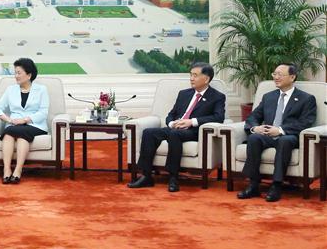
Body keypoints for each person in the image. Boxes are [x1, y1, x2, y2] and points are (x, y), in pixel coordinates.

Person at [127, 62, 225, 192]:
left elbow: (219, 117)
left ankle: (173, 177)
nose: (191, 78)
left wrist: (192, 122)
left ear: (206, 79)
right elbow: (171, 114)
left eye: (195, 75)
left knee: (174, 134)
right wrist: (172, 123)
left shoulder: (217, 97)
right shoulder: (184, 94)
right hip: (175, 127)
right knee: (149, 133)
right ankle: (146, 176)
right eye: (190, 75)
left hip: (194, 131)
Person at [237, 63, 317, 202]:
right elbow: (253, 117)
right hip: (267, 135)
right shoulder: (269, 97)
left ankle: (276, 185)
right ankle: (254, 184)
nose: (276, 77)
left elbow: (305, 122)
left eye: (280, 74)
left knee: (284, 140)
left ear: (292, 77)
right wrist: (255, 128)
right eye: (274, 74)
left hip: (289, 136)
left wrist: (280, 130)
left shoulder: (306, 98)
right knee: (254, 138)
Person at [0, 58, 48, 184]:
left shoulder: (41, 90)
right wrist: (9, 119)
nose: (16, 76)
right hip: (14, 125)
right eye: (15, 73)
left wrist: (24, 120)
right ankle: (6, 170)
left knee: (19, 133)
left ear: (29, 75)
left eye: (19, 73)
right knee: (9, 132)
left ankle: (18, 170)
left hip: (35, 125)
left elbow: (43, 112)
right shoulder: (11, 90)